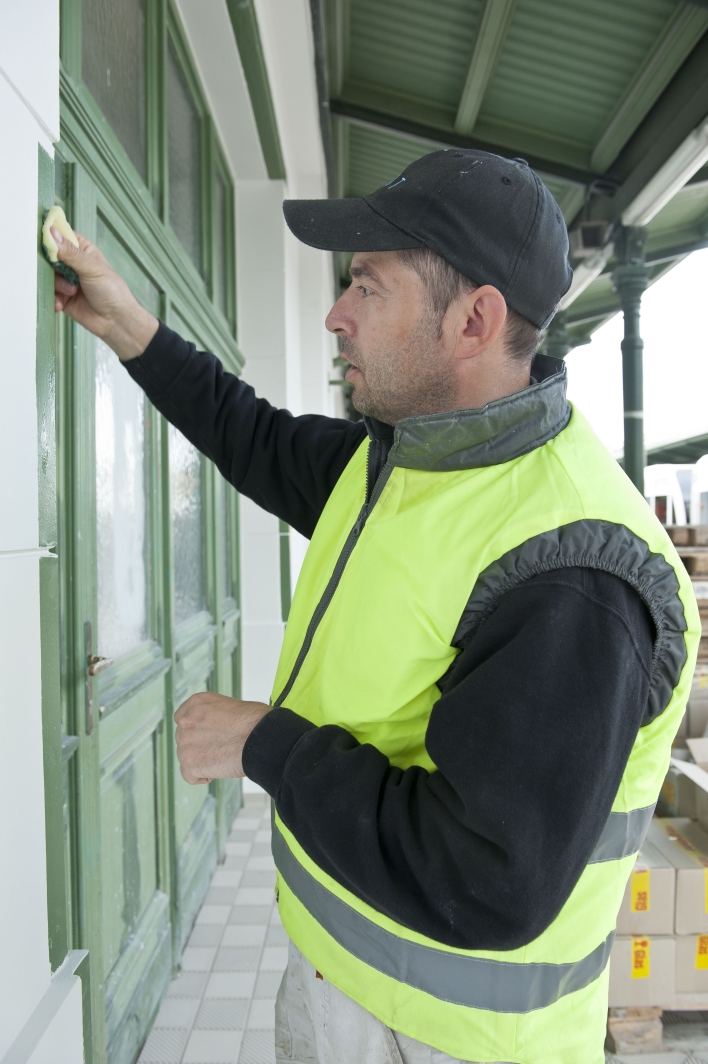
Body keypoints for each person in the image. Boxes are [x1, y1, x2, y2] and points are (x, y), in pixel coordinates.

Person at [53, 149, 699, 1064]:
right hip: (342, 982)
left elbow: (488, 881)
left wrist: (262, 743)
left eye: (368, 286)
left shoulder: (573, 576)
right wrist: (130, 329)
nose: (335, 315)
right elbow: (255, 437)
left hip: (449, 1042)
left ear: (474, 319)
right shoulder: (403, 461)